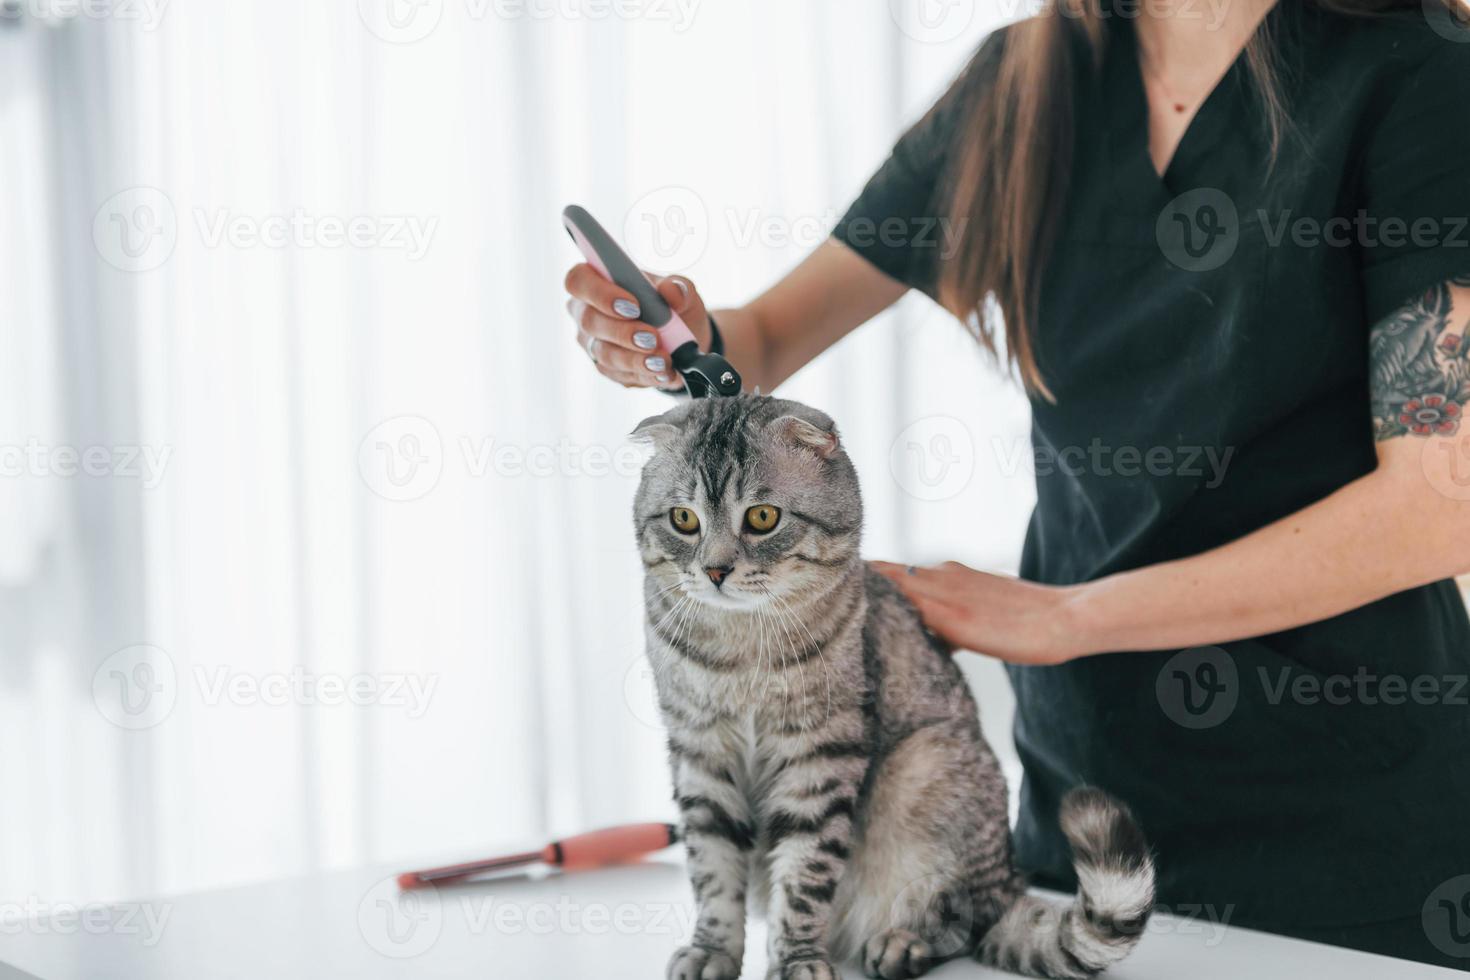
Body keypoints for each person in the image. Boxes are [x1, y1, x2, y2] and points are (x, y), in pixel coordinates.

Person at [564, 0, 1470, 968]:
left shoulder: (1417, 66)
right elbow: (772, 335)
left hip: (1353, 853)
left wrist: (1065, 616)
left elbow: (1439, 502)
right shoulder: (1027, 81)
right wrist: (682, 341)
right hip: (1080, 832)